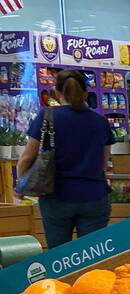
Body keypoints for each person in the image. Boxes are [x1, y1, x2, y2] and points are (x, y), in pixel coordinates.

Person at [16, 70, 113, 248]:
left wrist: (21, 184)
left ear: (57, 93)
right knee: (94, 255)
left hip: (56, 196)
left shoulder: (47, 116)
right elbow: (103, 163)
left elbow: (27, 157)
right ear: (85, 93)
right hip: (94, 196)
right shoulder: (100, 121)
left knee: (59, 257)